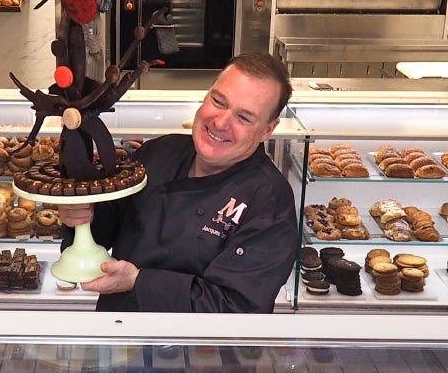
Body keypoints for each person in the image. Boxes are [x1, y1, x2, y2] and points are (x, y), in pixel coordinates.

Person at [55, 52, 299, 313]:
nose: (221, 122)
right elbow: (101, 231)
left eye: (244, 117)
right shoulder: (159, 152)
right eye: (218, 101)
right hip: (121, 335)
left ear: (267, 130)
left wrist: (139, 283)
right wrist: (80, 216)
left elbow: (237, 308)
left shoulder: (269, 202)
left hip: (202, 350)